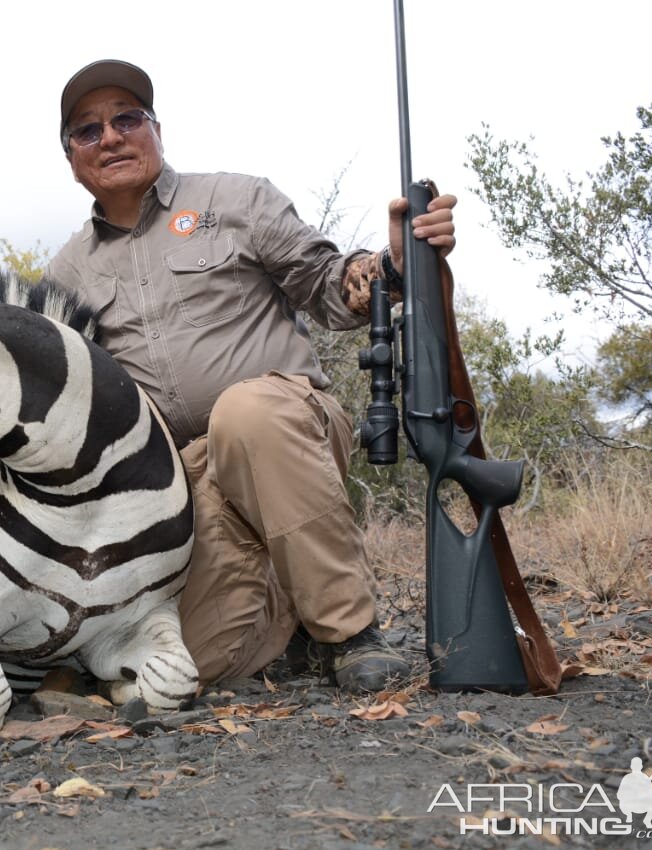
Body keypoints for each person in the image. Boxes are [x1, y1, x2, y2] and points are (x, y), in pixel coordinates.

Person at [44, 60, 458, 692]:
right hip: (177, 483)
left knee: (247, 414)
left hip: (284, 427)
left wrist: (394, 265)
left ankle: (349, 632)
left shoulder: (235, 200)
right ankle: (284, 616)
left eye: (127, 118)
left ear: (156, 129)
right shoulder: (65, 275)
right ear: (72, 159)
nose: (110, 137)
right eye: (88, 130)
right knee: (185, 666)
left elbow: (327, 286)